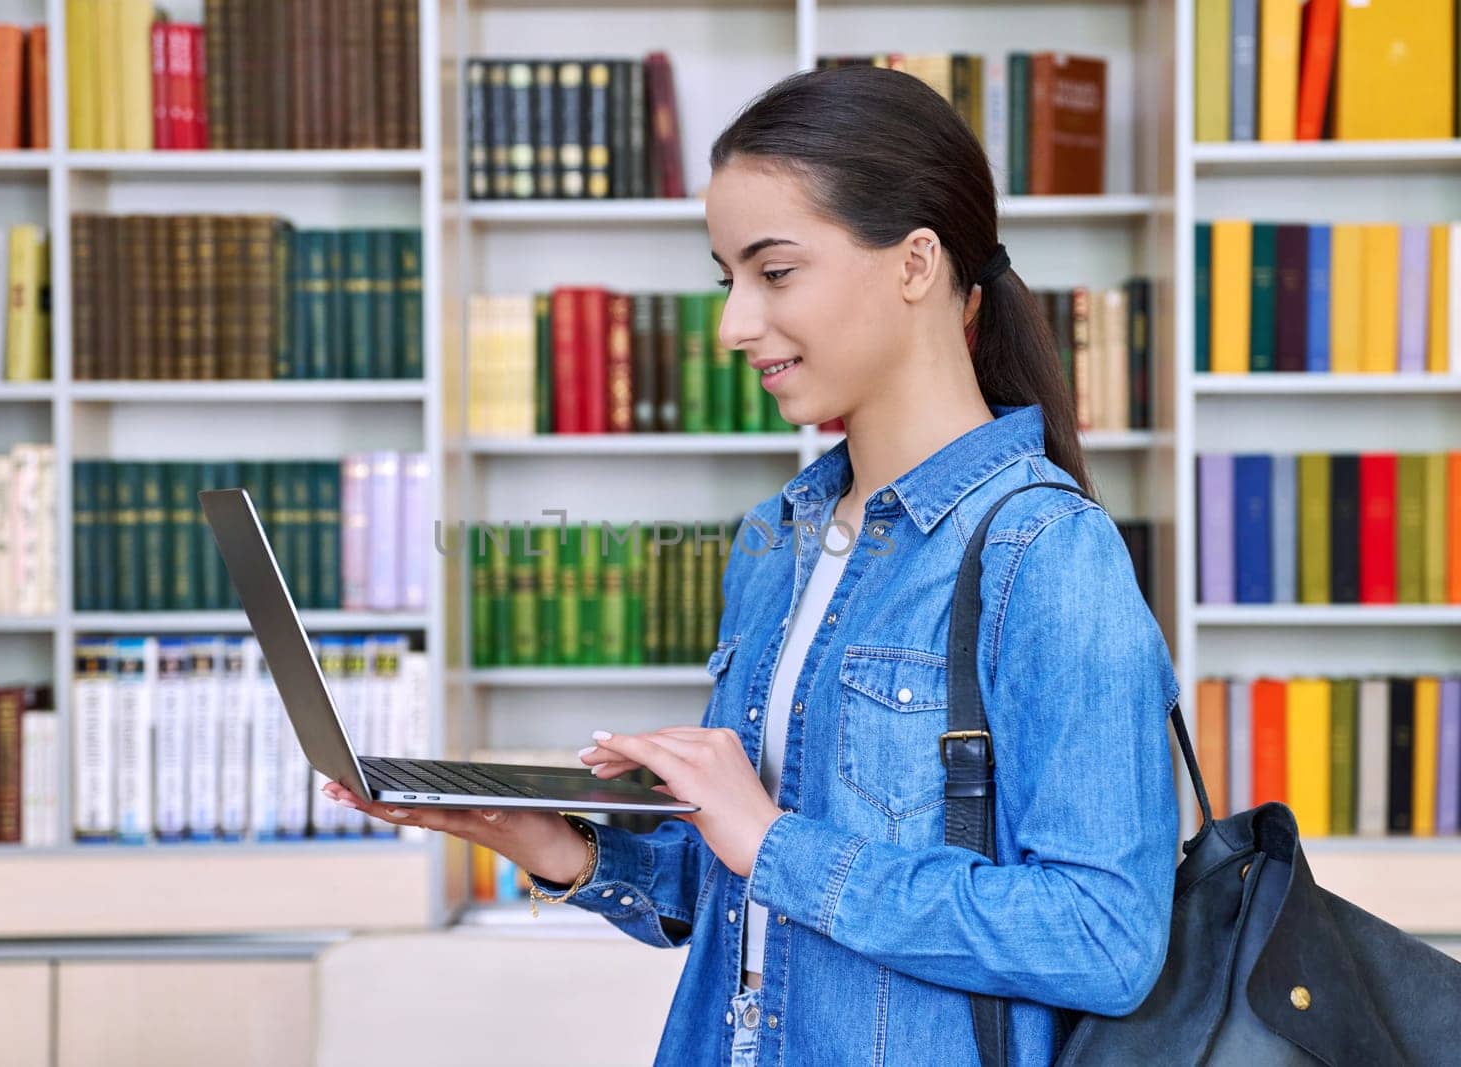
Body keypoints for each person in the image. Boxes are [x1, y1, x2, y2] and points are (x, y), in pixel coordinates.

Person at [324, 64, 1180, 1065]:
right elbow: (738, 889)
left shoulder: (1044, 552)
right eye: (725, 278)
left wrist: (775, 840)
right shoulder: (777, 537)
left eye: (773, 273)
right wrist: (552, 840)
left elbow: (1104, 936)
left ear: (914, 262)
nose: (733, 323)